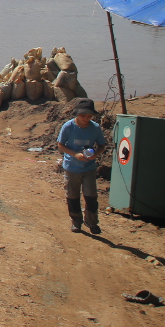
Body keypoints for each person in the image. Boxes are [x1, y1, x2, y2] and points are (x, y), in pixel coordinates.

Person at [57, 99, 107, 234]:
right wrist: (75, 155)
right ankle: (76, 221)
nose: (86, 119)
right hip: (71, 167)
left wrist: (95, 154)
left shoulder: (95, 128)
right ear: (77, 114)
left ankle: (92, 222)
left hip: (89, 168)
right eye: (83, 116)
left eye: (89, 116)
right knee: (72, 195)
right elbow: (61, 144)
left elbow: (102, 145)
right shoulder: (68, 126)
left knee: (91, 196)